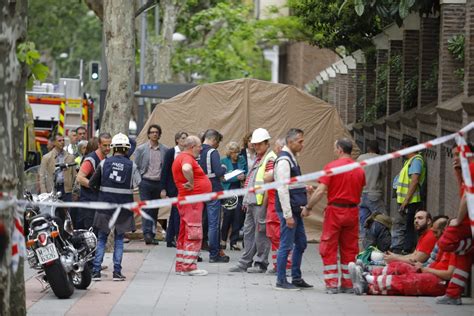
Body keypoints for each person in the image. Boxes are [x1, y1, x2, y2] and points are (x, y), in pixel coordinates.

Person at [302, 138, 365, 294]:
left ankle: (331, 284)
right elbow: (360, 190)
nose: (334, 151)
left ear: (339, 149)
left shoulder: (331, 167)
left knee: (328, 247)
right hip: (352, 212)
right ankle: (348, 283)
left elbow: (320, 191)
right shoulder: (359, 169)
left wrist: (309, 207)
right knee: (350, 249)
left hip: (335, 211)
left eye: (334, 148)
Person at [89, 133, 141, 281]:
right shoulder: (132, 166)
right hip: (123, 209)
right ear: (126, 149)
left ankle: (96, 271)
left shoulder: (104, 163)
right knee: (119, 239)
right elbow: (139, 183)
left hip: (105, 207)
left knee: (102, 239)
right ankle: (117, 272)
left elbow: (92, 183)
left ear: (113, 148)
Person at [229, 128, 274, 273]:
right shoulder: (259, 158)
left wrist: (265, 204)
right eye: (255, 144)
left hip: (261, 202)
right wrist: (246, 200)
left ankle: (261, 263)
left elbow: (269, 184)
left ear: (267, 143)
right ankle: (245, 262)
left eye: (259, 144)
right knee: (248, 232)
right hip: (252, 201)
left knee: (261, 233)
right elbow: (251, 180)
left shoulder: (270, 158)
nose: (256, 147)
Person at [274, 129, 312, 290]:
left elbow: (290, 184)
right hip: (288, 211)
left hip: (295, 209)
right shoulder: (284, 160)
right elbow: (282, 188)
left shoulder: (291, 158)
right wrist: (288, 215)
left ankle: (296, 277)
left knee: (301, 243)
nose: (302, 144)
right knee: (286, 245)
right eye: (300, 141)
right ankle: (281, 281)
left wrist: (303, 187)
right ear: (290, 142)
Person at [435, 145, 474, 305]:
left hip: (467, 222)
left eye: (459, 154)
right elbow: (462, 191)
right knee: (463, 258)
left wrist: (457, 220)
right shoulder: (466, 170)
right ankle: (453, 294)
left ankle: (470, 245)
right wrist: (458, 173)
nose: (455, 158)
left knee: (445, 242)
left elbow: (466, 197)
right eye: (454, 155)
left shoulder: (472, 168)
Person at [172, 135, 212, 276]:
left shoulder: (181, 157)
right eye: (199, 146)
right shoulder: (187, 158)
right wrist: (192, 182)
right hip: (192, 201)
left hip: (188, 200)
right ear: (192, 147)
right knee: (194, 232)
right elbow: (187, 169)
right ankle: (190, 267)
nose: (201, 149)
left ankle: (182, 264)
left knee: (184, 233)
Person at [133, 124, 168, 245]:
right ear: (148, 134)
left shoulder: (165, 150)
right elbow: (135, 166)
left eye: (156, 132)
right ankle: (147, 233)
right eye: (152, 132)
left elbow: (166, 169)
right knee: (147, 208)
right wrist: (139, 181)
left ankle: (151, 234)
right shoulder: (141, 149)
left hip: (158, 183)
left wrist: (164, 186)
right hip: (146, 182)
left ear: (159, 134)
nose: (154, 134)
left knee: (154, 210)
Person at [391, 138, 427, 254]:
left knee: (408, 226)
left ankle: (406, 250)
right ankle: (402, 249)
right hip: (406, 200)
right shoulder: (409, 161)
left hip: (411, 201)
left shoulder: (416, 161)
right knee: (405, 225)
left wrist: (406, 201)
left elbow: (414, 181)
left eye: (403, 149)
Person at [199, 129, 229, 263]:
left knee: (199, 222)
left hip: (199, 191)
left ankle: (195, 252)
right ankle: (214, 254)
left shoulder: (197, 151)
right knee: (213, 224)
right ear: (214, 140)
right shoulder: (213, 152)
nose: (217, 146)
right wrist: (224, 167)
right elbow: (218, 171)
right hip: (212, 189)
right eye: (217, 143)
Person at [75, 133, 111, 230]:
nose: (108, 148)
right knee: (91, 235)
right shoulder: (91, 159)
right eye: (105, 145)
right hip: (89, 204)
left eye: (109, 145)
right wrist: (95, 186)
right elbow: (80, 178)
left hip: (100, 204)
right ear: (99, 145)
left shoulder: (106, 159)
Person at [266, 137, 291, 273]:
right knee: (276, 236)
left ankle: (284, 265)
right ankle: (279, 264)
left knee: (278, 235)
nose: (275, 149)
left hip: (276, 205)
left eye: (276, 147)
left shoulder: (279, 162)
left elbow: (268, 178)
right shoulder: (283, 161)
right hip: (274, 204)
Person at [160, 131, 188, 247]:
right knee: (177, 212)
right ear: (177, 140)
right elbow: (165, 171)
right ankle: (177, 236)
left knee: (175, 212)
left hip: (184, 186)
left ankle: (169, 238)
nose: (185, 140)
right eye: (183, 138)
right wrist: (163, 188)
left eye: (186, 138)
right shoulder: (171, 152)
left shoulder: (187, 153)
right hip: (173, 187)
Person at [220, 141, 247, 250]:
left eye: (238, 152)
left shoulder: (242, 160)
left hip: (239, 190)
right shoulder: (223, 161)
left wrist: (244, 177)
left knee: (238, 216)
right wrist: (236, 177)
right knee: (227, 216)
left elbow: (246, 172)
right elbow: (223, 178)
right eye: (235, 152)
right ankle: (223, 240)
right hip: (228, 191)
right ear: (229, 153)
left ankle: (234, 242)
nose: (237, 155)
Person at [357, 140, 385, 239]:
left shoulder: (360, 158)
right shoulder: (380, 159)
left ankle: (365, 242)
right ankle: (381, 240)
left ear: (368, 148)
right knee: (381, 219)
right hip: (374, 194)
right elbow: (383, 174)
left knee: (364, 220)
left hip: (362, 194)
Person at [39, 134, 76, 201]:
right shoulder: (47, 157)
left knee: (67, 210)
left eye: (63, 140)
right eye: (59, 140)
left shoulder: (70, 157)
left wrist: (74, 191)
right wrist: (44, 193)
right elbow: (42, 176)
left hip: (66, 189)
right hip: (52, 189)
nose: (62, 142)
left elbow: (74, 175)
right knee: (53, 210)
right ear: (54, 143)